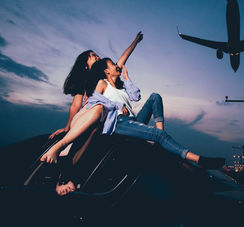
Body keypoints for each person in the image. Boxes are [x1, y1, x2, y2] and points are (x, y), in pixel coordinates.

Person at [41, 58, 225, 176]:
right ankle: (198, 160)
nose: (117, 65)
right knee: (158, 136)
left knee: (155, 97)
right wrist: (116, 106)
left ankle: (159, 140)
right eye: (113, 64)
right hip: (118, 123)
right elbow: (93, 105)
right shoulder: (102, 83)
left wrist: (127, 78)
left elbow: (136, 96)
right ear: (106, 71)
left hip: (133, 121)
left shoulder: (120, 86)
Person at [48, 32, 143, 195]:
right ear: (85, 65)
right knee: (79, 137)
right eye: (92, 56)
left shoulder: (107, 75)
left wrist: (135, 41)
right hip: (88, 112)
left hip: (104, 112)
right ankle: (62, 178)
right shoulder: (85, 80)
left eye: (96, 54)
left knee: (94, 135)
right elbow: (76, 105)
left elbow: (123, 57)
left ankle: (77, 177)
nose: (97, 56)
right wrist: (67, 127)